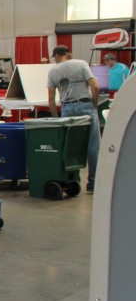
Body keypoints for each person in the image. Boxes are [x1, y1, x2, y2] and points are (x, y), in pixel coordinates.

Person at [47, 45, 100, 193]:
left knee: (70, 148)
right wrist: (94, 104)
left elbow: (51, 99)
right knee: (93, 146)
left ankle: (72, 181)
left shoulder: (53, 71)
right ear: (69, 53)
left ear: (56, 56)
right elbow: (95, 86)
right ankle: (93, 184)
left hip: (67, 109)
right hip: (85, 106)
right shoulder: (81, 64)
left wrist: (56, 118)